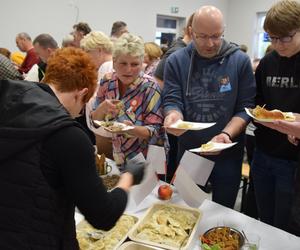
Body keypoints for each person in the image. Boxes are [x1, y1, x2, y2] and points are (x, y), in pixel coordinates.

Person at [0, 47, 145, 249]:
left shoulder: (9, 101)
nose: (77, 114)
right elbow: (103, 215)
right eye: (81, 108)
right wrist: (128, 177)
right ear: (82, 93)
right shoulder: (67, 134)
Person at [163, 5, 256, 208]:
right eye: (202, 36)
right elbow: (172, 99)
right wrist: (173, 115)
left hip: (227, 153)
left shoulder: (239, 61)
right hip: (190, 150)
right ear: (190, 32)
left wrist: (227, 134)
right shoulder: (176, 61)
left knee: (223, 211)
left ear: (224, 31)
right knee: (186, 208)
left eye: (216, 36)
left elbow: (246, 107)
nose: (210, 43)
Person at [251, 0, 300, 232]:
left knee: (286, 227)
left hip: (293, 161)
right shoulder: (268, 63)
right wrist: (257, 115)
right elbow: (256, 101)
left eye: (285, 37)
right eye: (272, 38)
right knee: (264, 220)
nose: (278, 44)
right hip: (263, 153)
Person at [92, 33, 166, 166]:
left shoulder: (150, 87)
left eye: (134, 64)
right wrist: (102, 108)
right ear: (114, 62)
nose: (128, 69)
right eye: (123, 63)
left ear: (142, 63)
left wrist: (130, 129)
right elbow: (95, 122)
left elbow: (155, 131)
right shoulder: (107, 82)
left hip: (148, 159)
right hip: (120, 155)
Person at [154, 13, 194, 183]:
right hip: (171, 121)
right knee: (171, 176)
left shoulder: (178, 50)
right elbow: (160, 89)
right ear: (192, 31)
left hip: (173, 121)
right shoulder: (177, 54)